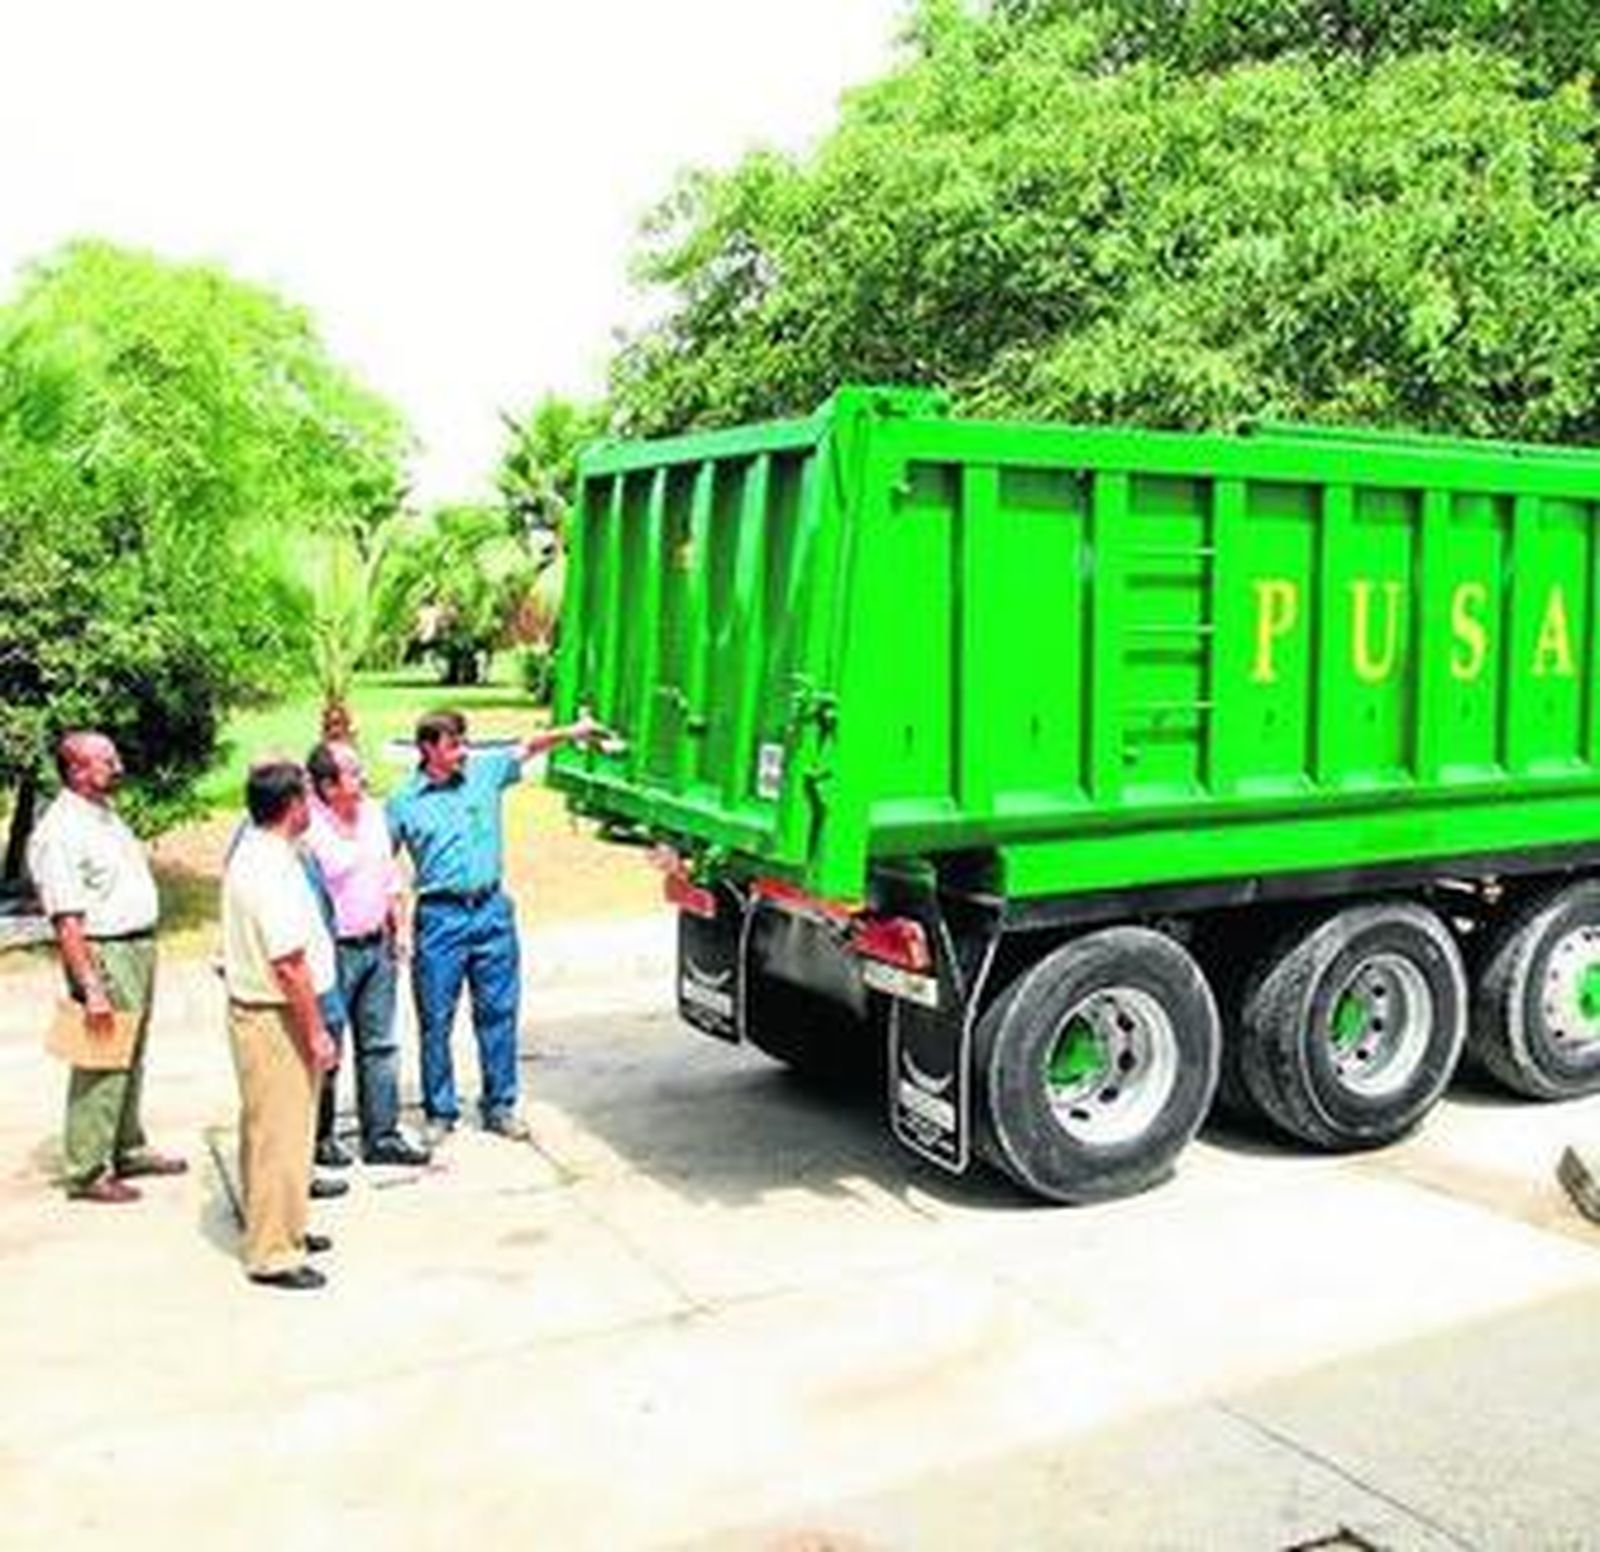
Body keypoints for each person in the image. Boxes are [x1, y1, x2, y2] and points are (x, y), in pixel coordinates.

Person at [387, 708, 599, 1142]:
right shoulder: (404, 801)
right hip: (440, 918)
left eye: (464, 742)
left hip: (490, 912)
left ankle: (500, 1105)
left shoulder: (483, 772)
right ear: (428, 749)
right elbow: (379, 865)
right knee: (436, 1018)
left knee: (499, 1013)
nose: (463, 751)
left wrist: (575, 732)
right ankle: (439, 1111)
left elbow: (528, 746)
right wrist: (396, 926)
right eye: (453, 745)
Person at [26, 731, 187, 1203]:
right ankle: (88, 1168)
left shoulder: (102, 815)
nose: (116, 766)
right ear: (76, 771)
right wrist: (90, 986)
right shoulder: (59, 832)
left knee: (131, 1053)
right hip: (104, 950)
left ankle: (126, 1145)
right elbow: (66, 920)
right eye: (105, 761)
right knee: (101, 1056)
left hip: (136, 946)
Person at [221, 760, 340, 1291]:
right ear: (294, 805)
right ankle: (273, 1251)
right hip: (276, 1014)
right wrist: (315, 1031)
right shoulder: (266, 866)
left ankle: (279, 1220)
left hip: (266, 1009)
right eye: (308, 797)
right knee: (284, 1134)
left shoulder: (264, 852)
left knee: (268, 1129)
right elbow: (289, 963)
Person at [304, 740, 429, 1168]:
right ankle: (320, 1137)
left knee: (380, 1045)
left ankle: (382, 1135)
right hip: (334, 953)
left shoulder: (375, 814)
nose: (363, 778)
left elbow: (390, 874)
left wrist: (401, 927)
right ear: (327, 786)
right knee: (328, 1048)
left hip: (377, 946)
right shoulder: (308, 828)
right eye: (353, 773)